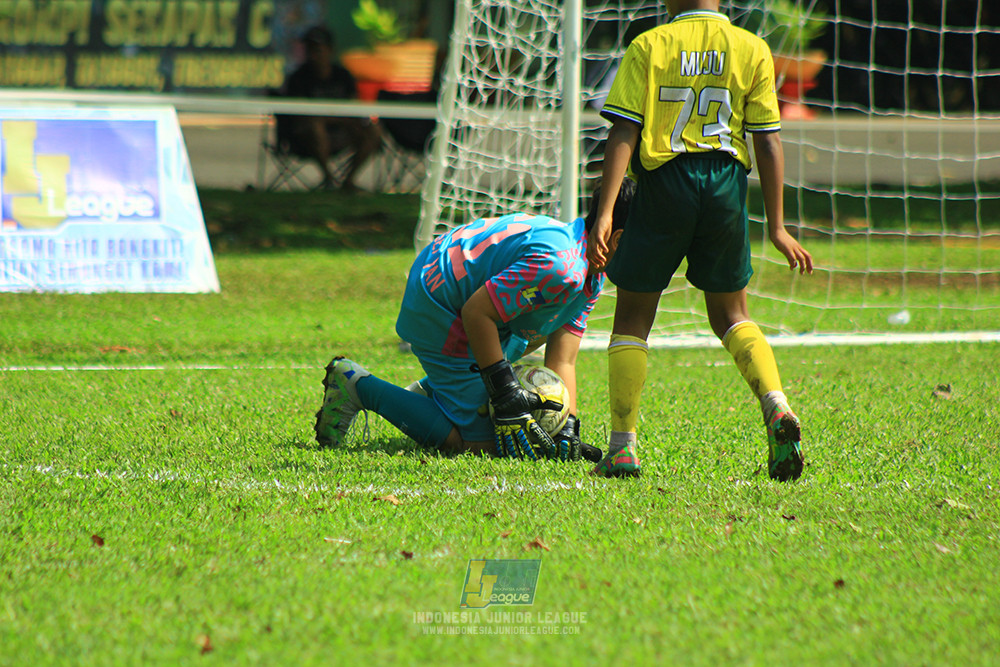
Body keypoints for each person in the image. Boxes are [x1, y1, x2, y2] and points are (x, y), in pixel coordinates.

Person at [587, 0, 814, 481]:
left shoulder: (649, 45)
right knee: (732, 314)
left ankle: (622, 448)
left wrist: (606, 212)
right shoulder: (751, 47)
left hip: (664, 182)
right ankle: (776, 403)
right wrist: (777, 226)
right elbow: (767, 140)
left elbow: (625, 130)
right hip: (726, 184)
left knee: (633, 316)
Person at [314, 180, 636, 461]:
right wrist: (504, 393)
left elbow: (562, 358)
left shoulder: (589, 272)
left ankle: (436, 395)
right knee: (481, 444)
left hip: (462, 296)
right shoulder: (561, 267)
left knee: (531, 332)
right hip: (440, 300)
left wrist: (568, 426)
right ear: (619, 239)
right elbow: (476, 312)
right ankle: (357, 386)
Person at [280, 25, 380, 191]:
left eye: (318, 49)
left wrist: (345, 121)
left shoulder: (343, 75)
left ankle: (348, 181)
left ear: (330, 50)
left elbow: (354, 107)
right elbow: (299, 116)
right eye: (309, 49)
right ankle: (329, 179)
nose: (313, 55)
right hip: (307, 138)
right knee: (316, 126)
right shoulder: (298, 78)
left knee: (373, 131)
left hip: (342, 132)